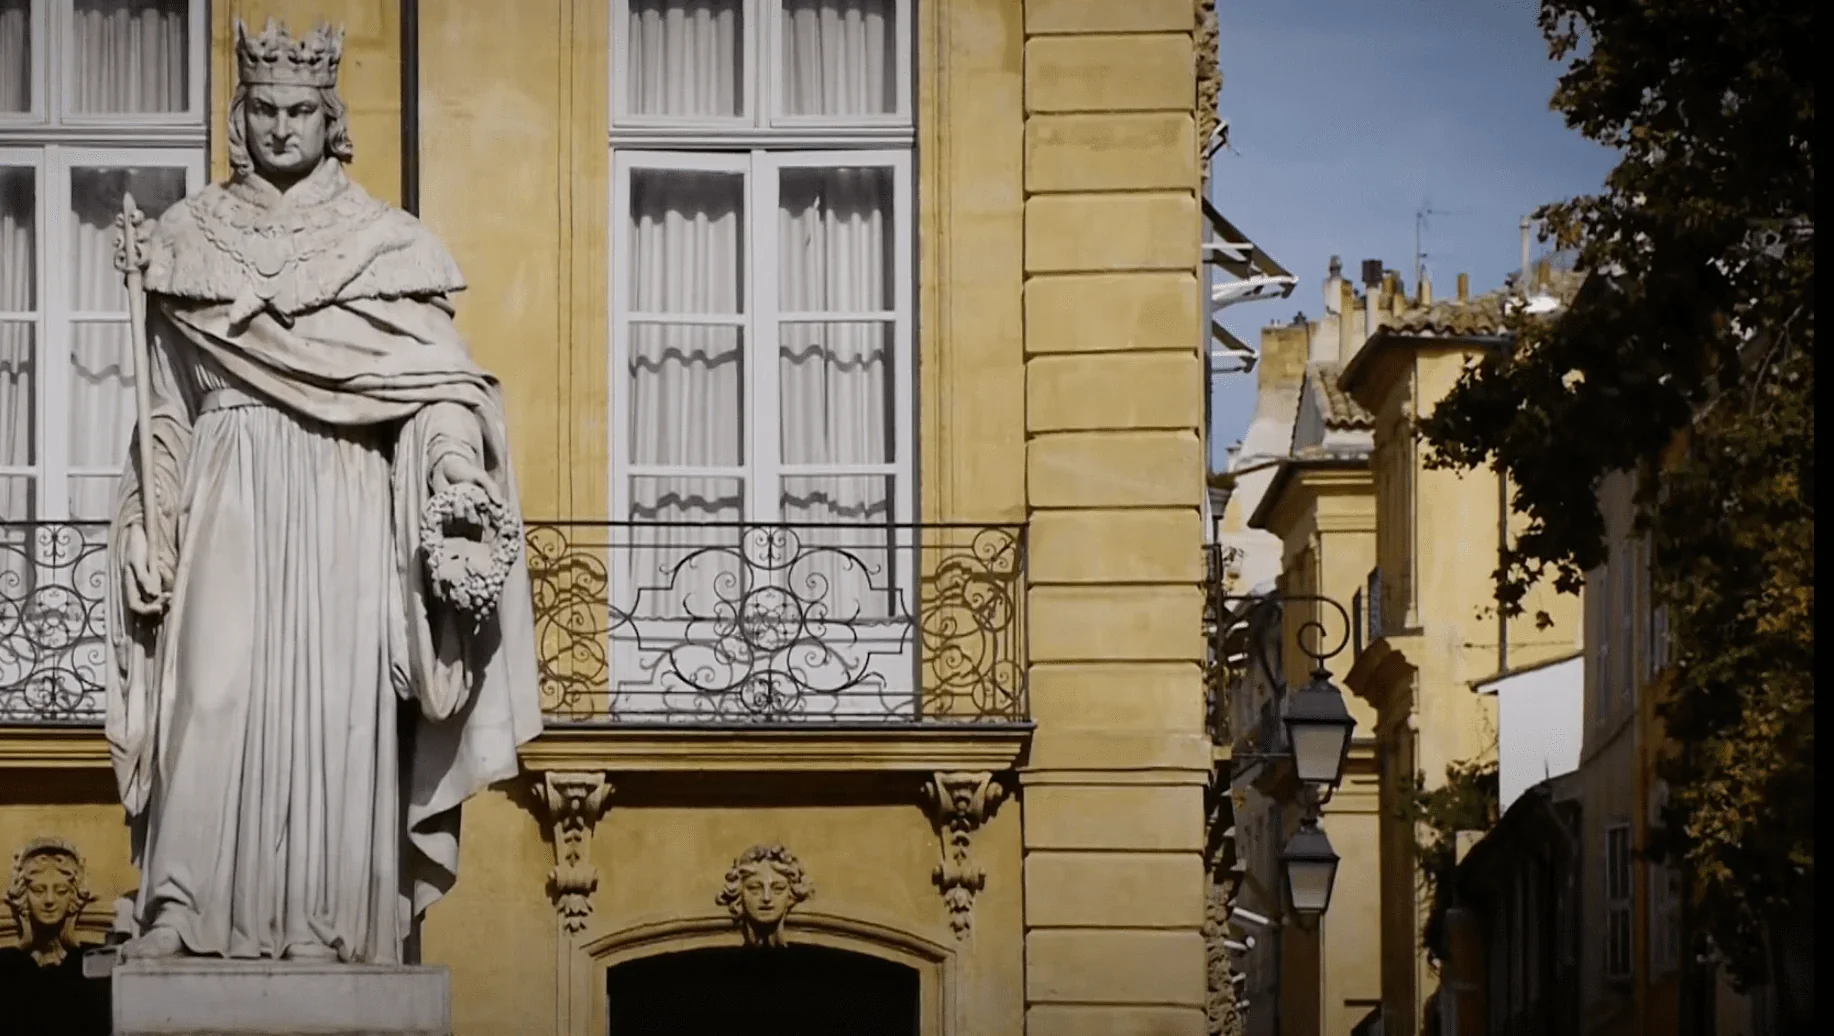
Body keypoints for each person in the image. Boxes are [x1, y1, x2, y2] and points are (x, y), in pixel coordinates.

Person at [105, 18, 540, 964]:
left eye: (301, 109)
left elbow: (437, 390)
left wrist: (455, 471)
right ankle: (179, 907)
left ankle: (333, 920)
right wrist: (152, 519)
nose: (281, 128)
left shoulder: (388, 243)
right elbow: (166, 410)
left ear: (331, 115)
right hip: (226, 495)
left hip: (345, 496)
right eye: (262, 109)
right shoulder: (184, 238)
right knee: (207, 696)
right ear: (239, 115)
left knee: (338, 717)